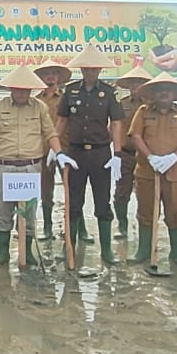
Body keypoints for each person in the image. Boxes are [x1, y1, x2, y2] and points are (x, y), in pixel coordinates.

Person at [0, 64, 67, 268]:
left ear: (31, 89)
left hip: (29, 168)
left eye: (25, 89)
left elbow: (50, 132)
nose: (21, 92)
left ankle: (26, 253)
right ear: (10, 88)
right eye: (17, 88)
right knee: (2, 211)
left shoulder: (39, 107)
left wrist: (59, 152)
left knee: (28, 212)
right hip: (3, 167)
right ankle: (3, 254)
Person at [55, 45, 125, 266]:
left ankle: (106, 252)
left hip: (100, 154)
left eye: (94, 69)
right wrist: (53, 148)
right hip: (75, 153)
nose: (90, 72)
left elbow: (116, 123)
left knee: (102, 203)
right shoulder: (71, 90)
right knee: (73, 203)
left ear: (100, 70)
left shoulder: (110, 92)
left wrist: (118, 154)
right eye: (86, 69)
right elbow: (62, 121)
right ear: (81, 69)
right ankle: (70, 248)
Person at [128, 72, 177, 267]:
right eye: (159, 90)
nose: (163, 93)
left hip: (176, 173)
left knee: (176, 212)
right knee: (146, 212)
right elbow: (136, 136)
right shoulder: (143, 112)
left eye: (168, 89)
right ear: (153, 93)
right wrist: (150, 157)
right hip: (147, 171)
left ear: (174, 93)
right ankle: (144, 250)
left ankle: (176, 254)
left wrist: (174, 157)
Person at [33, 61, 72, 241]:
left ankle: (74, 228)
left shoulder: (67, 98)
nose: (50, 77)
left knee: (72, 190)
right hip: (42, 150)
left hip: (65, 150)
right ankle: (47, 226)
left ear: (58, 77)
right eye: (46, 74)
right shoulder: (35, 100)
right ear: (41, 77)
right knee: (45, 191)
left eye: (53, 73)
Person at [112, 65, 152, 240]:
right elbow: (113, 128)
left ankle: (146, 228)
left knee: (146, 194)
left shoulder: (153, 106)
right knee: (121, 192)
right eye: (133, 83)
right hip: (126, 154)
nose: (136, 86)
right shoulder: (122, 104)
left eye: (140, 83)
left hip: (149, 157)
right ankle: (122, 225)